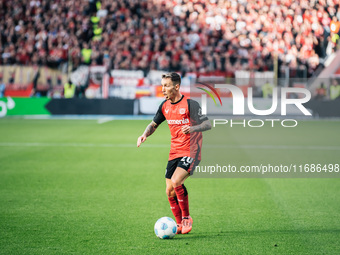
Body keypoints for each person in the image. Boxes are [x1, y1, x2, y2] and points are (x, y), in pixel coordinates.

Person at [137, 72, 211, 234]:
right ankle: (178, 224)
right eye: (162, 85)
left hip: (192, 150)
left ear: (176, 87)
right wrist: (144, 134)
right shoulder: (164, 106)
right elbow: (153, 124)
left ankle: (186, 218)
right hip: (174, 152)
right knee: (169, 190)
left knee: (177, 180)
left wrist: (193, 128)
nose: (163, 89)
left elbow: (207, 124)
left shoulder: (191, 104)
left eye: (166, 86)